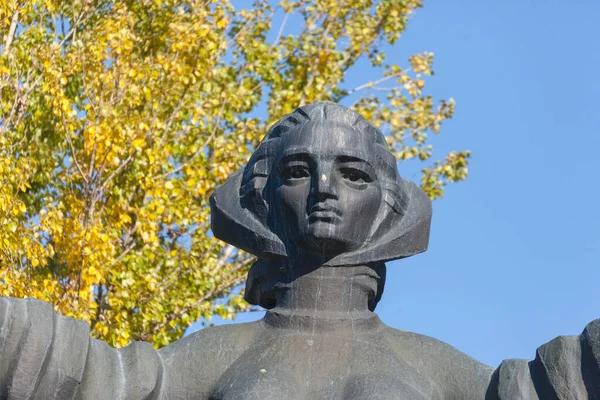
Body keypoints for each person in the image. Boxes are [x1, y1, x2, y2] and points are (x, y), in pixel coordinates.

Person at [0, 102, 598, 399]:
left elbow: (549, 386)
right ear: (260, 198)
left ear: (391, 204)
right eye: (297, 170)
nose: (324, 191)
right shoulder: (206, 360)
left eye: (354, 174)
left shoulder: (439, 370)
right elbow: (96, 377)